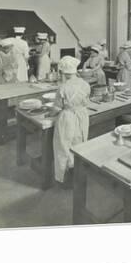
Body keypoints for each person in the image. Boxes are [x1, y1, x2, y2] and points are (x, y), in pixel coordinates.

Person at [53, 56, 91, 184]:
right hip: (82, 116)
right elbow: (86, 101)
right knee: (80, 142)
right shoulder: (85, 84)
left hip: (68, 117)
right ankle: (79, 176)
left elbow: (57, 108)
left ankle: (65, 179)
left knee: (64, 146)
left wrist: (50, 112)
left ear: (63, 73)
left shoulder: (63, 88)